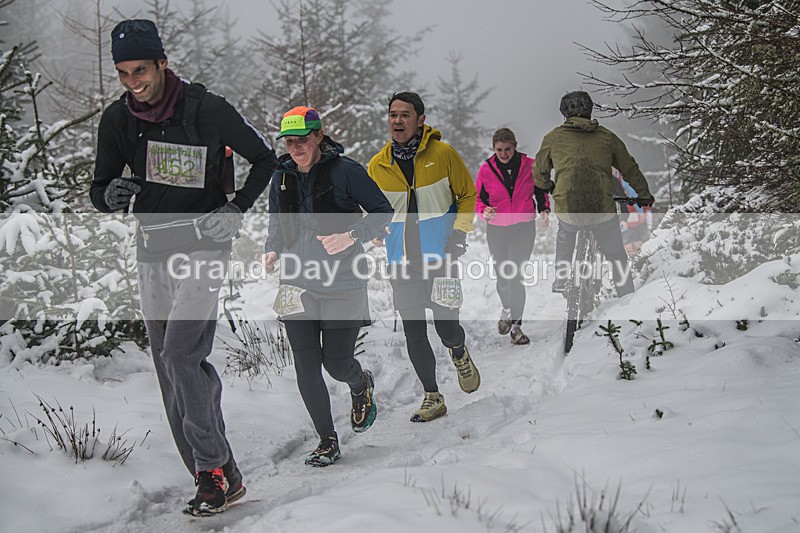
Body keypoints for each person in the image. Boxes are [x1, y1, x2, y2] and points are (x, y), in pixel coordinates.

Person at [90, 20, 278, 516]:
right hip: (151, 251)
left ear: (162, 64)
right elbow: (99, 188)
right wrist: (110, 195)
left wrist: (236, 209)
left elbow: (265, 160)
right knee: (173, 369)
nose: (134, 83)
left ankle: (212, 471)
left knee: (179, 356)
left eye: (142, 71)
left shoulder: (206, 109)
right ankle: (217, 474)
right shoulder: (117, 120)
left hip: (203, 248)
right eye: (124, 73)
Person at [262, 106, 392, 466]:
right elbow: (277, 220)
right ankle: (327, 440)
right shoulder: (282, 176)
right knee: (305, 364)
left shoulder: (346, 171)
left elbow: (383, 212)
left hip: (342, 282)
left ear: (319, 136)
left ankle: (359, 382)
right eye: (289, 142)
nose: (295, 148)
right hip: (295, 282)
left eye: (302, 140)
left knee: (336, 363)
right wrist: (272, 248)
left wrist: (352, 235)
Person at [368, 91, 480, 423]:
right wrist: (374, 228)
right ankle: (432, 396)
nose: (397, 120)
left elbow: (467, 194)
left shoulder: (443, 154)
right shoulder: (378, 165)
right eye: (392, 115)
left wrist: (459, 233)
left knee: (446, 326)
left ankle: (457, 350)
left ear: (420, 120)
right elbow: (374, 210)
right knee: (413, 331)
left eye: (404, 115)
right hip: (401, 260)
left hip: (442, 256)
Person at [532, 91, 654, 297]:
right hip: (602, 209)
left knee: (565, 231)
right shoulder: (607, 137)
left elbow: (538, 171)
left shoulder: (552, 138)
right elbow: (630, 169)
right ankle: (628, 297)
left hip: (569, 207)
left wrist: (548, 185)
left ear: (564, 114)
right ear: (589, 110)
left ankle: (561, 275)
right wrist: (644, 195)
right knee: (616, 255)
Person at [475, 128, 551, 345]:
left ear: (515, 146)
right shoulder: (486, 170)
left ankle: (517, 328)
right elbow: (478, 200)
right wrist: (484, 211)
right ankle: (507, 310)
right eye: (499, 150)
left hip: (523, 228)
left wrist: (544, 208)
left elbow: (540, 191)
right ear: (494, 149)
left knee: (514, 276)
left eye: (507, 149)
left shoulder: (530, 165)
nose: (504, 154)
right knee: (502, 277)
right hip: (497, 230)